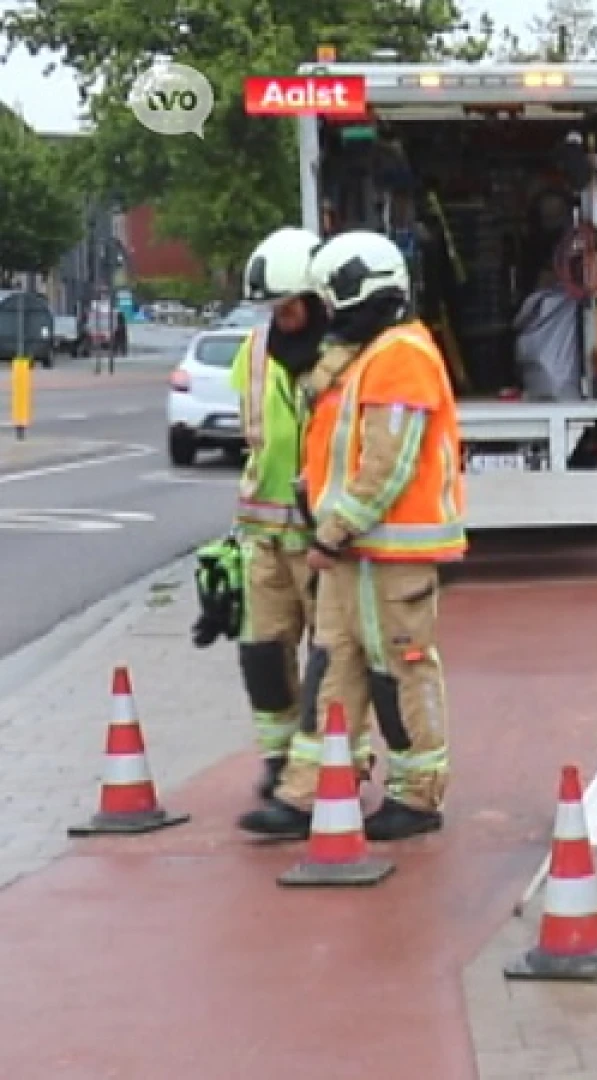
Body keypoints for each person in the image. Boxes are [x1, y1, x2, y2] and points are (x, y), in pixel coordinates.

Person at [239, 230, 467, 842]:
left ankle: (417, 794)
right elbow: (344, 449)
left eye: (336, 301)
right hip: (359, 547)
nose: (330, 314)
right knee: (334, 663)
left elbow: (387, 464)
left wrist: (334, 530)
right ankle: (309, 788)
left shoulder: (403, 355)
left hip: (392, 547)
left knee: (401, 669)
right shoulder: (369, 356)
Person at [228, 226, 356, 803]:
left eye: (289, 307)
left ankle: (343, 759)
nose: (280, 319)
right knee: (262, 652)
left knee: (331, 656)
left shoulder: (345, 357)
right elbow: (253, 437)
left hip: (320, 536)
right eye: (273, 309)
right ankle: (279, 758)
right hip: (262, 534)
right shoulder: (254, 351)